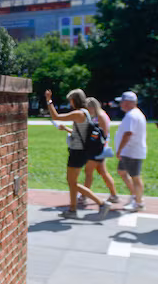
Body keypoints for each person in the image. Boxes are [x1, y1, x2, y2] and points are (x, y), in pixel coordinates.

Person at [45, 88, 114, 219]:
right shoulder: (85, 113)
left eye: (70, 101)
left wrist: (49, 101)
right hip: (80, 151)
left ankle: (101, 203)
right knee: (72, 182)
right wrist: (66, 129)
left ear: (74, 100)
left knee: (73, 182)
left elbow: (56, 117)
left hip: (77, 152)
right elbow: (80, 133)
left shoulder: (79, 113)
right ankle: (72, 209)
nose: (70, 103)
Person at [74, 97, 119, 207]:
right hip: (96, 149)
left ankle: (84, 196)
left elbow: (103, 134)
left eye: (87, 108)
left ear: (92, 107)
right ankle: (114, 195)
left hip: (97, 149)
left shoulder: (101, 116)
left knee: (88, 172)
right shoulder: (97, 116)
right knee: (102, 172)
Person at [114, 91, 148, 211]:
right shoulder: (134, 114)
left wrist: (119, 150)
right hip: (129, 151)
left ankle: (139, 202)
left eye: (122, 102)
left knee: (135, 177)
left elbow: (128, 133)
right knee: (122, 171)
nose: (120, 104)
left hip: (131, 151)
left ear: (128, 102)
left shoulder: (131, 115)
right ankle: (135, 195)